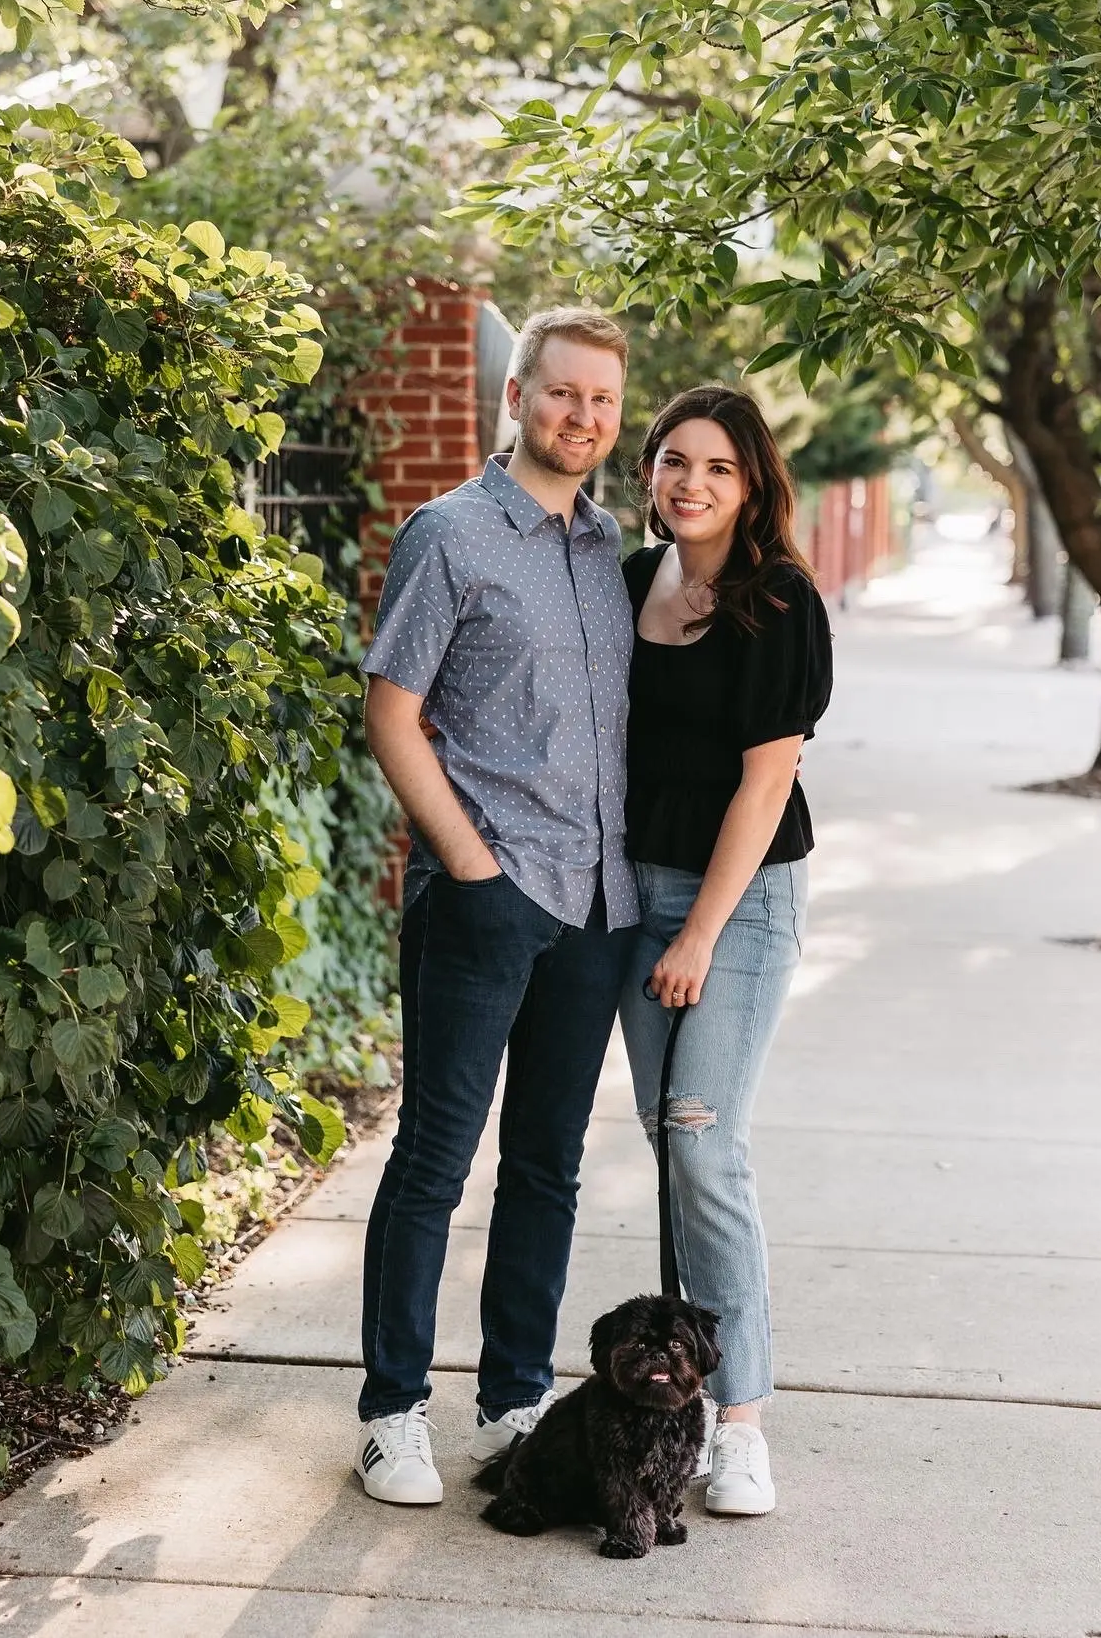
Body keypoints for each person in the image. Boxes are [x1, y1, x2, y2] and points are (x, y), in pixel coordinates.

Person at [354, 307, 638, 1505]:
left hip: (595, 905)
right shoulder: (453, 535)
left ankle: (514, 1398)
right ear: (516, 394)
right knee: (435, 1156)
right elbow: (390, 710)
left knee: (547, 1165)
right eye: (562, 393)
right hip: (487, 896)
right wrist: (469, 860)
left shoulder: (611, 545)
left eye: (602, 402)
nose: (581, 417)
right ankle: (391, 1413)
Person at [618, 384, 833, 1518]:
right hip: (634, 889)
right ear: (648, 472)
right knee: (667, 1140)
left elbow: (767, 782)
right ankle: (682, 1398)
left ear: (752, 485)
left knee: (704, 1144)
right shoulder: (624, 583)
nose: (691, 482)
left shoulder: (780, 600)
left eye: (717, 467)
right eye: (674, 461)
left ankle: (740, 1420)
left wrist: (699, 931)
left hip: (737, 904)